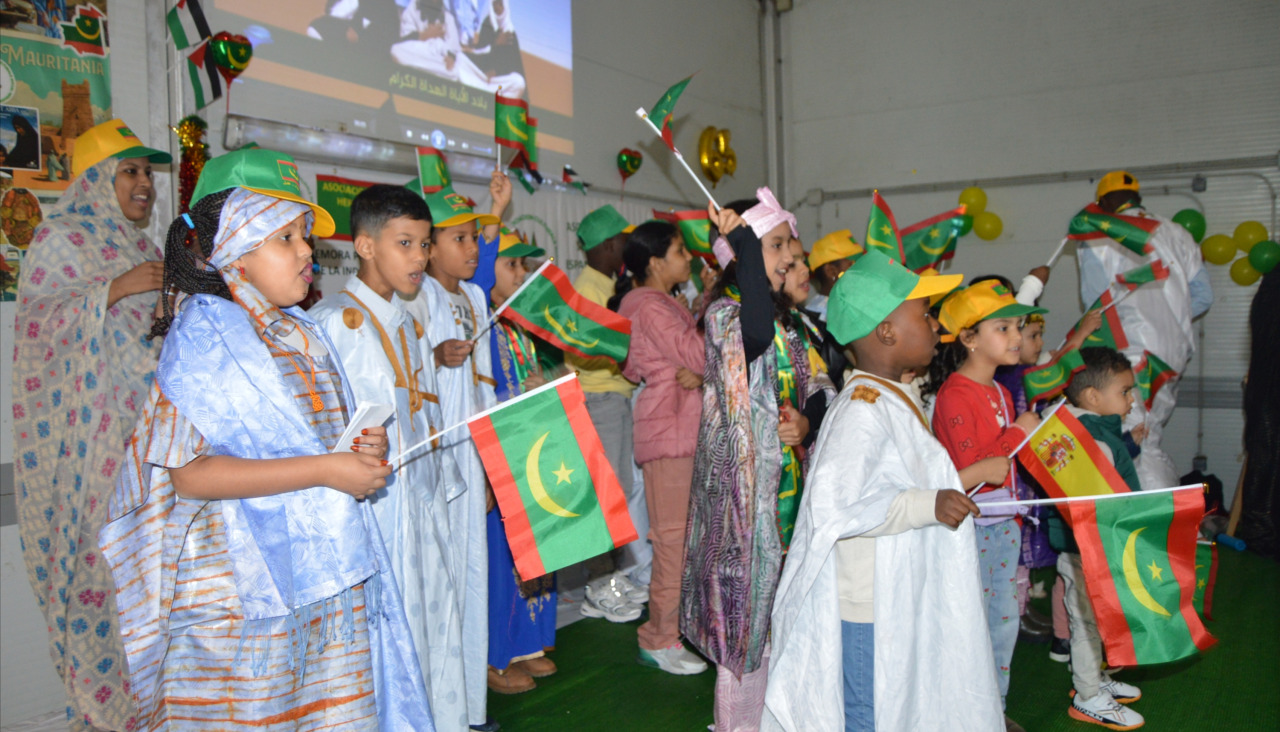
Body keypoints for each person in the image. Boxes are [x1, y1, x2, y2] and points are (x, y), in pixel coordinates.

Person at [98, 149, 433, 729]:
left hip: (325, 581)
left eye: (306, 235)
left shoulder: (301, 331)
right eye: (285, 237)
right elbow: (190, 475)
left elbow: (319, 442)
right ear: (234, 249)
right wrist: (326, 470)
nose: (307, 251)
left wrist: (359, 450)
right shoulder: (206, 336)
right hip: (239, 602)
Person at [764, 248, 1005, 731]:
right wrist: (928, 503)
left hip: (897, 592)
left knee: (897, 699)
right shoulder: (861, 408)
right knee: (869, 710)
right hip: (868, 608)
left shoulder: (891, 397)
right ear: (887, 332)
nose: (936, 327)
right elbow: (840, 506)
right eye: (925, 314)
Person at [12, 118, 171, 732]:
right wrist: (113, 290)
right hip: (89, 465)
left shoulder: (146, 249)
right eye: (130, 171)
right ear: (93, 180)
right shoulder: (60, 239)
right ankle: (105, 718)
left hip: (149, 458)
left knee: (151, 593)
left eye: (148, 172)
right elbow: (36, 330)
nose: (144, 183)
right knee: (97, 587)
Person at [309, 184, 469, 730]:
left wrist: (443, 479)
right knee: (385, 634)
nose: (419, 257)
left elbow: (423, 410)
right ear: (365, 245)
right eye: (405, 243)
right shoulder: (335, 322)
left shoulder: (408, 321)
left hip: (419, 497)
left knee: (433, 620)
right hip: (375, 508)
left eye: (424, 244)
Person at [682, 190, 833, 731]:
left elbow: (821, 387)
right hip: (744, 514)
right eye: (776, 246)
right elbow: (755, 333)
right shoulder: (726, 317)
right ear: (741, 256)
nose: (790, 256)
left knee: (784, 623)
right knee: (744, 632)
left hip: (790, 500)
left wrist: (807, 423)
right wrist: (745, 245)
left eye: (790, 244)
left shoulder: (795, 323)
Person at [400, 175, 504, 732]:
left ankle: (466, 705)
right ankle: (433, 709)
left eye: (473, 237)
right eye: (458, 238)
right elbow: (405, 373)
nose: (472, 249)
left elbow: (483, 384)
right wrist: (435, 358)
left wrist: (488, 461)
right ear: (429, 245)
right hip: (433, 456)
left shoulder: (477, 297)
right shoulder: (416, 298)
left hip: (470, 450)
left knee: (470, 570)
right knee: (435, 578)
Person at [928, 279, 1047, 731]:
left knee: (1002, 621)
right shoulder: (955, 394)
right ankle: (968, 713)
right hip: (975, 527)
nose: (1017, 337)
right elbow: (978, 468)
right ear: (969, 338)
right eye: (1004, 328)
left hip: (1003, 523)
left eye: (1018, 327)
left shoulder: (998, 390)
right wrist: (1019, 432)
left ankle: (991, 710)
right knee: (974, 623)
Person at [1075, 171, 1212, 490]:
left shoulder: (1098, 234)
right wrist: (1169, 319)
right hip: (1173, 352)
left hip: (1130, 350)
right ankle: (1166, 505)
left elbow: (1095, 302)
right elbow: (1203, 296)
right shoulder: (1176, 232)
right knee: (1150, 431)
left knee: (1132, 436)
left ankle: (1153, 510)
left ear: (1104, 202)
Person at [613, 220, 709, 676]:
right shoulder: (650, 306)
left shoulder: (657, 304)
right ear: (654, 262)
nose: (688, 259)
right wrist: (700, 362)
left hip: (678, 426)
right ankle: (659, 638)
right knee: (672, 541)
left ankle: (676, 628)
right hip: (671, 430)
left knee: (683, 539)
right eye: (680, 252)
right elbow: (698, 353)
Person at [483, 227, 561, 695]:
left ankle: (528, 641)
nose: (520, 274)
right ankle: (496, 655)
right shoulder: (477, 325)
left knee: (531, 553)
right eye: (510, 264)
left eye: (523, 266)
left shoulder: (517, 325)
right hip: (498, 452)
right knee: (500, 557)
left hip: (527, 449)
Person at [1055, 347, 1147, 729]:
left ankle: (1093, 678)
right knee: (1088, 623)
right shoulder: (1092, 440)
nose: (1131, 400)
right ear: (1093, 397)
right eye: (1124, 391)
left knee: (1093, 621)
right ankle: (1088, 696)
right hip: (1088, 550)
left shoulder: (1083, 427)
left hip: (1084, 547)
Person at [570, 204, 650, 622]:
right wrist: (629, 353)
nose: (626, 248)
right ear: (606, 246)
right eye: (621, 241)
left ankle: (612, 577)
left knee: (617, 495)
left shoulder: (605, 285)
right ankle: (597, 586)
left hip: (615, 398)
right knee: (605, 498)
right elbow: (584, 352)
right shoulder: (589, 290)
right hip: (599, 399)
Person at [785, 235, 846, 391]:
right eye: (792, 264)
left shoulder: (806, 317)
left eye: (803, 262)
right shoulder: (777, 329)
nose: (806, 269)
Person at [805, 228, 861, 322]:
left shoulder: (848, 305)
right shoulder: (820, 313)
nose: (860, 270)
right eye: (851, 264)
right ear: (831, 271)